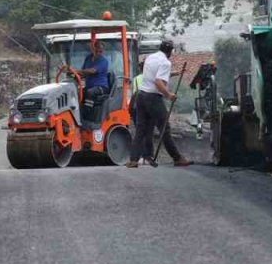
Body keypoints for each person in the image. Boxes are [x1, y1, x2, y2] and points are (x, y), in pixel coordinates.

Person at [126, 38, 191, 168]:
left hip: (141, 96)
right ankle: (177, 158)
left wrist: (175, 73)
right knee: (164, 128)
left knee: (140, 129)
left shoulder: (150, 58)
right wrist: (169, 95)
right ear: (170, 51)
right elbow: (158, 82)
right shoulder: (165, 62)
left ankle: (133, 160)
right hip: (153, 98)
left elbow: (153, 75)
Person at [80, 38, 112, 145]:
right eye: (98, 50)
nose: (99, 52)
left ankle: (87, 116)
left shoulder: (103, 61)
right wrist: (74, 73)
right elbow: (83, 72)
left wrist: (79, 71)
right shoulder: (88, 58)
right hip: (90, 86)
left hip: (101, 87)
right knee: (78, 92)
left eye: (101, 51)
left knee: (90, 93)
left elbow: (92, 71)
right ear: (93, 48)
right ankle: (78, 115)